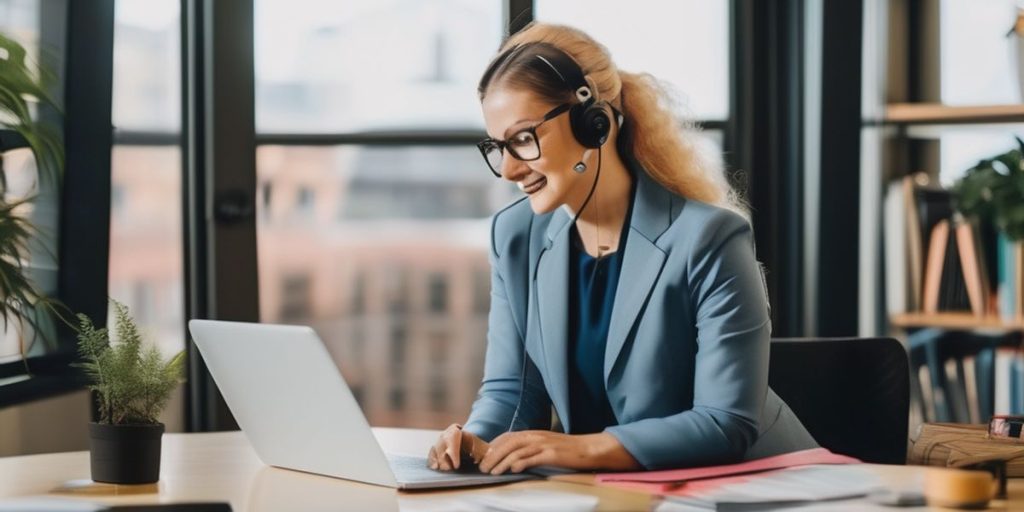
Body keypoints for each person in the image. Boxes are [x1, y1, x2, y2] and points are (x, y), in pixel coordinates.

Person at [427, 22, 817, 475]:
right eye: (498, 146)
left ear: (594, 123)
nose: (510, 169)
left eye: (523, 139)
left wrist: (581, 449)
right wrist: (474, 440)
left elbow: (725, 423)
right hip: (621, 491)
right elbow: (512, 395)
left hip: (758, 486)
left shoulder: (710, 239)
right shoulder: (516, 237)